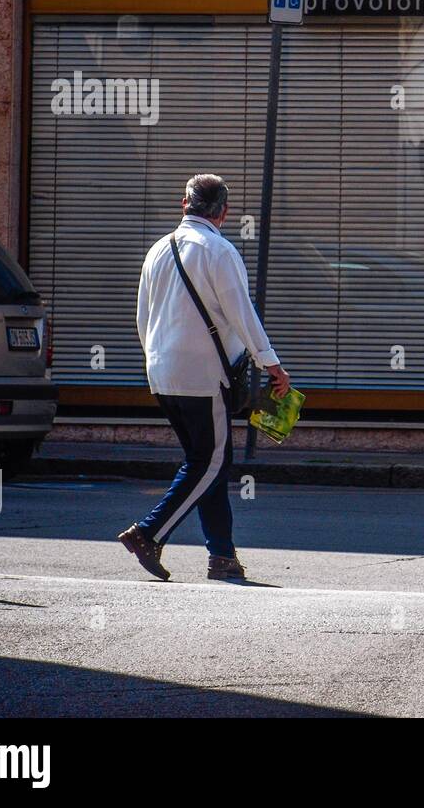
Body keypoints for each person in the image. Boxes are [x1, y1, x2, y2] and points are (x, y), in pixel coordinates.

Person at [118, 174, 290, 582]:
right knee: (210, 461)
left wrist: (155, 361)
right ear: (224, 212)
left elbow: (143, 316)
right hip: (204, 376)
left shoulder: (157, 250)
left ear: (184, 204)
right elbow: (241, 313)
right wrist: (272, 365)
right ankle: (149, 533)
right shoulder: (220, 250)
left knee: (206, 462)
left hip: (162, 374)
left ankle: (222, 555)